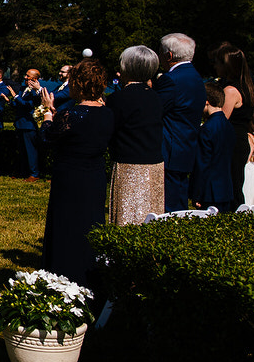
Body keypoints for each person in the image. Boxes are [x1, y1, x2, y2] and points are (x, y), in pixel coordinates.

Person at [39, 58, 114, 289]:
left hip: (70, 177)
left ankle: (64, 275)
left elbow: (47, 138)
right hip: (95, 176)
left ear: (78, 84)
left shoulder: (71, 114)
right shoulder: (109, 114)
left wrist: (47, 115)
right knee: (90, 223)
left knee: (66, 225)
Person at [107, 46, 164, 224]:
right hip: (154, 166)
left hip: (128, 165)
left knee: (127, 216)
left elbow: (110, 130)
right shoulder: (156, 97)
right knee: (151, 214)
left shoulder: (119, 98)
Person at [155, 33, 206, 212]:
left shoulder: (171, 80)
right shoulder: (196, 77)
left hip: (170, 149)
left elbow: (156, 111)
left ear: (168, 55)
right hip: (186, 147)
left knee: (169, 206)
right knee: (178, 203)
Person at [210, 42, 254, 207]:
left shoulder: (230, 91)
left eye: (218, 62)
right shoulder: (246, 87)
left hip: (232, 144)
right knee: (235, 186)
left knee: (230, 190)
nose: (215, 65)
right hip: (240, 140)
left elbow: (220, 121)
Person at [189, 83, 235, 213]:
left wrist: (197, 192)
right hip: (225, 188)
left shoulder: (207, 129)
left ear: (206, 101)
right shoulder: (229, 126)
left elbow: (202, 164)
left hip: (209, 190)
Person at [10, 69, 43, 182]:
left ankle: (34, 173)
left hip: (29, 124)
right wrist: (10, 100)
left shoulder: (36, 91)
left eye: (28, 76)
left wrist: (16, 97)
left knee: (31, 150)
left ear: (35, 79)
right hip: (20, 123)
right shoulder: (23, 89)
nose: (25, 77)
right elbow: (18, 104)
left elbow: (28, 105)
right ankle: (23, 171)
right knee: (22, 150)